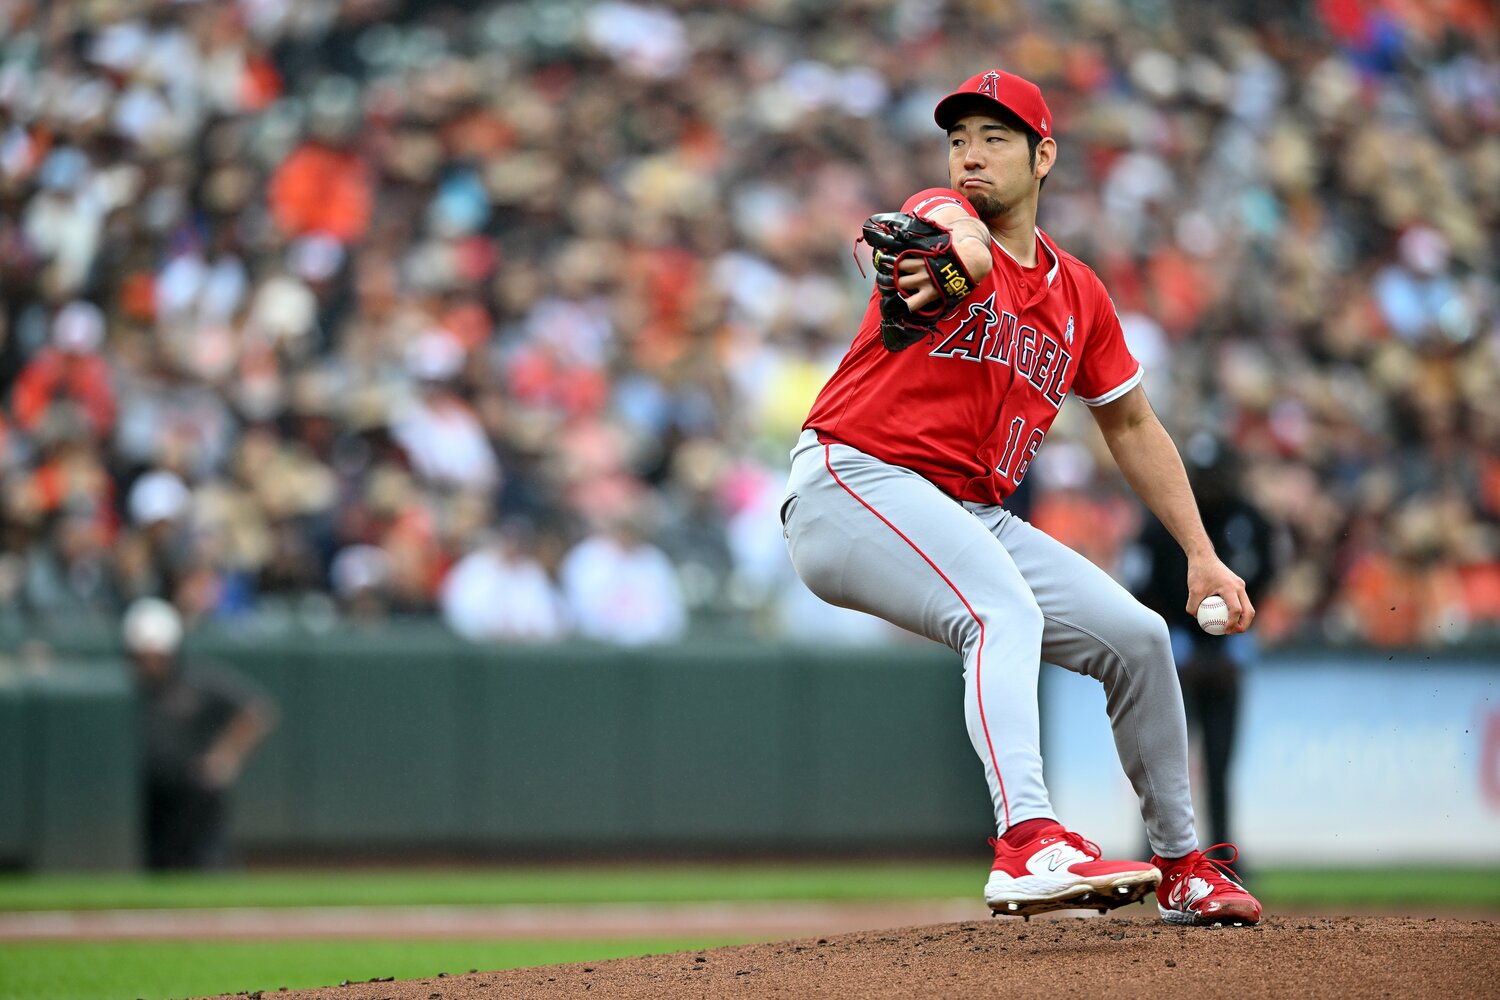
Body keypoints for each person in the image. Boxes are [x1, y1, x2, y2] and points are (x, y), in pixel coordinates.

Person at [780, 69, 1262, 925]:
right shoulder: (937, 216)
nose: (970, 154)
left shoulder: (1079, 294)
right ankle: (1027, 841)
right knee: (1001, 609)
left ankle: (1183, 867)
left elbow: (1132, 424)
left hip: (969, 511)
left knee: (1140, 638)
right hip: (854, 480)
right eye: (959, 138)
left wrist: (1201, 553)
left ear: (1044, 157)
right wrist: (961, 255)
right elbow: (953, 233)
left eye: (994, 139)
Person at [1132, 435, 1279, 867]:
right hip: (1176, 655)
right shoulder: (1164, 519)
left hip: (1228, 652)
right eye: (1205, 476)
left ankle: (1223, 854)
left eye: (1217, 475)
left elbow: (1267, 578)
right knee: (1165, 760)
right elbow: (1141, 585)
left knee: (1219, 762)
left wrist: (1239, 644)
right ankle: (1155, 851)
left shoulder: (1251, 519)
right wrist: (1173, 644)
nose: (1211, 485)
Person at [123, 597, 277, 870]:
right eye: (143, 657)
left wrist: (224, 757)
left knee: (203, 801)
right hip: (141, 788)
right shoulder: (122, 685)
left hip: (188, 788)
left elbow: (257, 711)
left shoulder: (197, 681)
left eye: (157, 656)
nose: (151, 664)